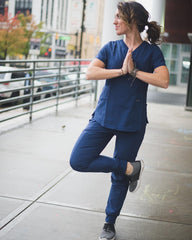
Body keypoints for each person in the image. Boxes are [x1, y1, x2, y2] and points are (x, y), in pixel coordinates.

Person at [70, 1, 169, 239]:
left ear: (132, 20)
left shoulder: (152, 52)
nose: (114, 21)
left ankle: (109, 223)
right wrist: (121, 71)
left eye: (118, 17)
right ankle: (129, 168)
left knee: (118, 179)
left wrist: (135, 72)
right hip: (103, 117)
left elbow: (163, 81)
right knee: (79, 160)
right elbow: (90, 72)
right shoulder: (110, 48)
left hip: (132, 122)